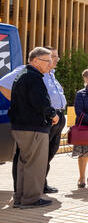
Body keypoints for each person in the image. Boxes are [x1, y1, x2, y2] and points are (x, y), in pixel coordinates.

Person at [0, 46, 66, 196]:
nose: (54, 61)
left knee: (45, 156)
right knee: (29, 158)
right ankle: (25, 192)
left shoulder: (50, 74)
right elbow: (3, 84)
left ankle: (40, 183)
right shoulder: (28, 72)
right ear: (37, 60)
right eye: (50, 58)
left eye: (55, 58)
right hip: (39, 119)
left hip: (55, 118)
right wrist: (21, 104)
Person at [9, 47, 58, 209]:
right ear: (36, 61)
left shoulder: (23, 75)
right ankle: (31, 199)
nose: (51, 63)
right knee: (35, 164)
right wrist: (53, 114)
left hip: (21, 126)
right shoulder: (33, 77)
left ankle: (20, 198)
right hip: (33, 127)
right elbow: (40, 102)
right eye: (48, 60)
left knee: (25, 163)